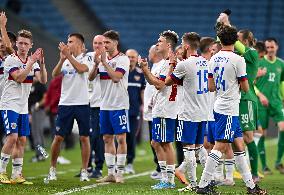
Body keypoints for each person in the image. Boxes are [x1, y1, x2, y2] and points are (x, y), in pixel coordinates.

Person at [197, 25, 266, 194]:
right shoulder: (238, 59)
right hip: (229, 108)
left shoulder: (213, 59)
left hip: (221, 105)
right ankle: (203, 184)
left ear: (220, 41)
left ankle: (251, 186)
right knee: (220, 146)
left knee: (239, 147)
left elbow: (211, 87)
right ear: (235, 40)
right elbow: (245, 87)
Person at [0, 29, 47, 184]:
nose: (22, 46)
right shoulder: (11, 60)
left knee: (22, 140)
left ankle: (16, 174)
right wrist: (31, 63)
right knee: (12, 137)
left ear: (30, 45)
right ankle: (1, 172)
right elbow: (19, 78)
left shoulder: (31, 61)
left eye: (26, 43)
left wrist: (42, 63)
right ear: (16, 43)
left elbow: (43, 80)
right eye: (20, 42)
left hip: (22, 106)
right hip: (9, 104)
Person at [165, 32, 209, 192]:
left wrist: (172, 63)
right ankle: (209, 179)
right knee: (199, 147)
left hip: (188, 113)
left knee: (188, 149)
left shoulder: (184, 65)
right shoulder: (205, 62)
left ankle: (193, 183)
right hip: (203, 111)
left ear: (187, 46)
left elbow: (167, 81)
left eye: (183, 45)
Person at [46, 33, 92, 182]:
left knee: (84, 138)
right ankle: (52, 169)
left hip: (82, 103)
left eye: (70, 41)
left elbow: (81, 69)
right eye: (67, 41)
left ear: (79, 44)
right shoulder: (66, 59)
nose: (67, 44)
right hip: (65, 104)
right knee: (58, 137)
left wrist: (68, 56)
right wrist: (61, 59)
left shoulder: (87, 58)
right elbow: (54, 74)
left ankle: (84, 170)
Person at [89, 30, 130, 183]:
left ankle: (120, 173)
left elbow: (116, 78)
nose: (104, 45)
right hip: (104, 104)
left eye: (107, 42)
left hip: (119, 104)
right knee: (107, 138)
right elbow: (91, 78)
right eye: (103, 42)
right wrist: (95, 64)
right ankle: (111, 173)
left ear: (115, 43)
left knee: (120, 138)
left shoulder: (123, 59)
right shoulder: (101, 59)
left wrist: (105, 62)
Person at [140, 30, 179, 189]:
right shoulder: (164, 63)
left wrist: (145, 70)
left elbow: (160, 84)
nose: (157, 43)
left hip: (165, 109)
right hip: (160, 107)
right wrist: (145, 69)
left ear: (168, 45)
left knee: (164, 144)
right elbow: (155, 83)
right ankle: (165, 177)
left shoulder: (170, 62)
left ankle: (169, 180)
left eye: (160, 41)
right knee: (156, 142)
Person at [255, 37, 284, 174]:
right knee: (262, 134)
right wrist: (260, 95)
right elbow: (251, 82)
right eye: (267, 47)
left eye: (272, 47)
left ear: (276, 47)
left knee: (283, 127)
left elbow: (282, 82)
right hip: (261, 103)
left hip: (277, 102)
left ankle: (278, 162)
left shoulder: (281, 64)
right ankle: (265, 166)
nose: (270, 50)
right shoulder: (259, 62)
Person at [143, 45, 164, 180]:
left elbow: (158, 86)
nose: (148, 54)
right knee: (154, 141)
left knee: (159, 141)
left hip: (158, 109)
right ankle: (159, 167)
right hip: (151, 110)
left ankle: (163, 168)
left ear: (155, 53)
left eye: (150, 52)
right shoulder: (155, 65)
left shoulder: (161, 65)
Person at [85, 35, 105, 178]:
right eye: (95, 43)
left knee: (97, 136)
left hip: (101, 103)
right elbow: (88, 75)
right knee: (85, 135)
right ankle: (86, 166)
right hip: (86, 101)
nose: (97, 45)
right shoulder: (88, 57)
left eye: (100, 43)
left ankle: (98, 167)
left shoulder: (109, 58)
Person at [125, 49, 146, 174]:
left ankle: (129, 163)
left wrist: (143, 105)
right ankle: (119, 162)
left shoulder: (140, 74)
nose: (131, 59)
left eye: (133, 57)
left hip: (134, 111)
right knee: (120, 137)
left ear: (137, 58)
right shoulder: (120, 73)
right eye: (129, 57)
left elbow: (142, 91)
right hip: (121, 109)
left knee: (131, 137)